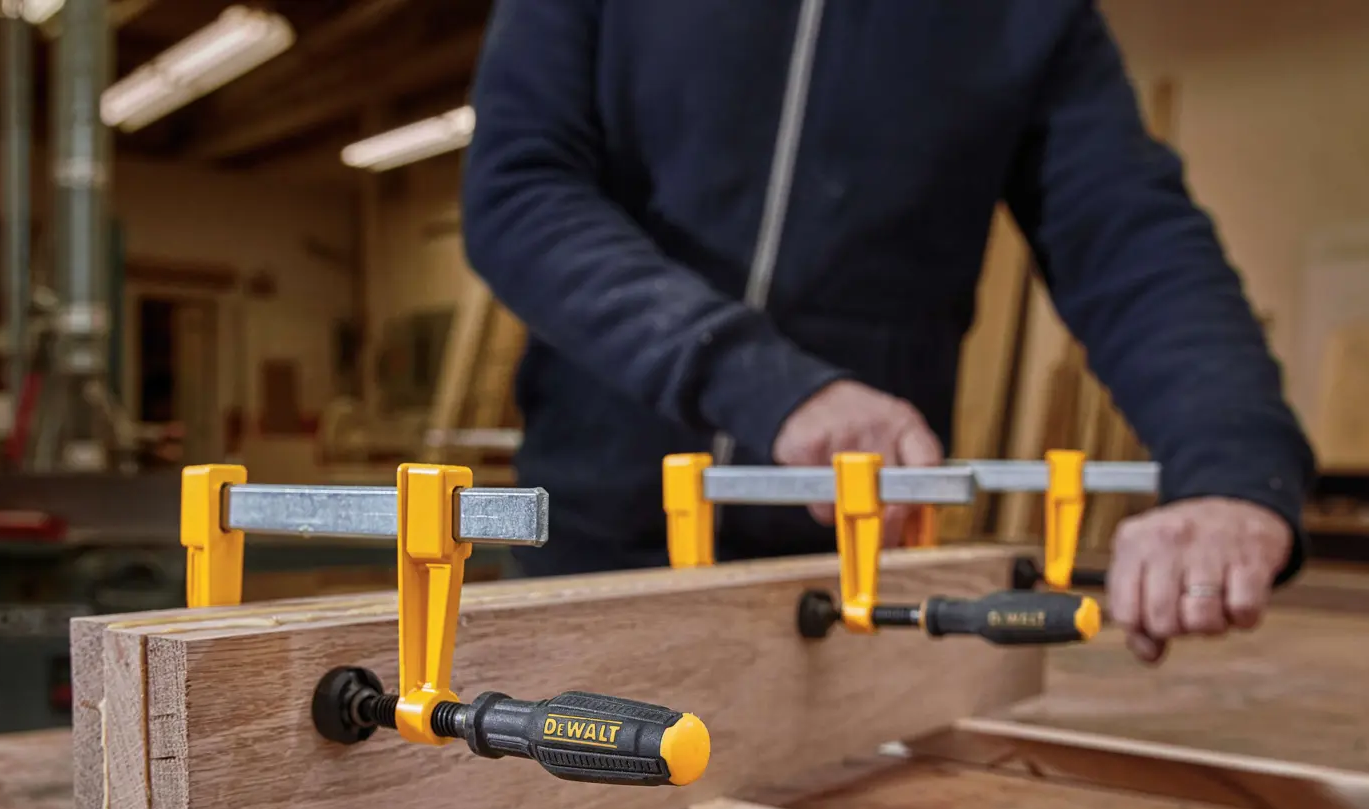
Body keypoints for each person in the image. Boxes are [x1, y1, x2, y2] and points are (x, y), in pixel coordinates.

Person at [460, 0, 1317, 665]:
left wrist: (1233, 473)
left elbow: (1133, 241)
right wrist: (765, 383)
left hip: (852, 570)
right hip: (591, 544)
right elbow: (519, 192)